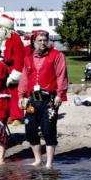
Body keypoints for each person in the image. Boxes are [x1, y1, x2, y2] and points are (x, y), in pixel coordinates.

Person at [18, 30, 68, 168]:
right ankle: (38, 159)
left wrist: (59, 94)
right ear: (34, 42)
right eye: (39, 40)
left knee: (49, 129)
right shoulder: (28, 57)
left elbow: (61, 75)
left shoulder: (57, 55)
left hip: (49, 100)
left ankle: (49, 162)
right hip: (32, 100)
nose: (43, 43)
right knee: (30, 129)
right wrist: (21, 96)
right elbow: (24, 78)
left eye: (45, 40)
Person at [0, 14, 25, 126]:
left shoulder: (15, 39)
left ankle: (17, 116)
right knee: (6, 95)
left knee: (15, 94)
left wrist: (15, 74)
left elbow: (19, 59)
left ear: (5, 28)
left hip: (13, 70)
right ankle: (10, 115)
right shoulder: (4, 40)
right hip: (4, 70)